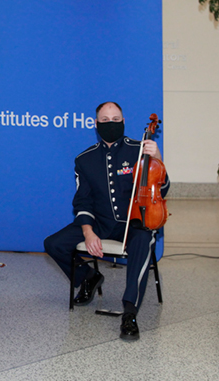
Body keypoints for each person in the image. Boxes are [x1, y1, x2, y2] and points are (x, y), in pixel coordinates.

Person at [44, 101, 170, 341]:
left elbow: (160, 190)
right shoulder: (85, 159)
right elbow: (83, 201)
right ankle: (88, 277)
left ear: (123, 121)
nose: (110, 124)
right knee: (54, 243)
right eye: (104, 120)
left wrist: (158, 158)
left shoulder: (140, 150)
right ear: (96, 124)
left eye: (115, 120)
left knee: (143, 240)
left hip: (134, 221)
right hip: (100, 222)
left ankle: (130, 312)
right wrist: (88, 231)